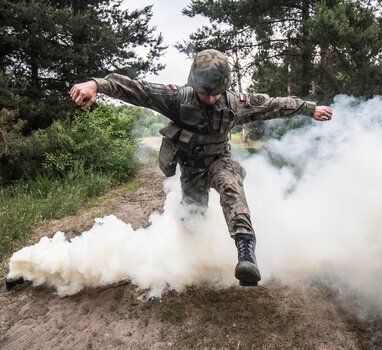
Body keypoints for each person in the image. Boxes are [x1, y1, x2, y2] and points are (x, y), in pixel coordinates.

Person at [70, 49, 333, 287]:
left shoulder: (236, 102)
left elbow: (275, 105)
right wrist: (96, 85)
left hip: (221, 161)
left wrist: (310, 109)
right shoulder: (175, 98)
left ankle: (246, 253)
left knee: (232, 189)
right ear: (193, 83)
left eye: (216, 93)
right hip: (192, 170)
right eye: (204, 92)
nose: (210, 98)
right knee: (192, 219)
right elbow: (136, 89)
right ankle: (195, 260)